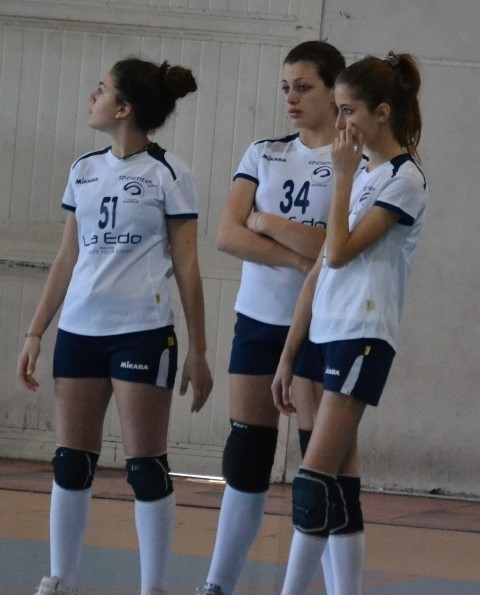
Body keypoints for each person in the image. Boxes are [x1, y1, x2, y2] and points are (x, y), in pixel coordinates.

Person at [17, 56, 213, 595]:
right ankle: (61, 580)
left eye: (100, 89)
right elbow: (67, 256)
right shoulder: (83, 169)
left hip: (142, 333)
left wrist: (198, 350)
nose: (92, 96)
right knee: (70, 462)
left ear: (124, 108)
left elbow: (188, 266)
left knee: (145, 467)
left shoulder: (168, 173)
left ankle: (154, 587)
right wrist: (35, 332)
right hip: (80, 333)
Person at [272, 51, 428, 595]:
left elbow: (338, 252)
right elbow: (319, 270)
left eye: (348, 111)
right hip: (324, 334)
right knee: (338, 485)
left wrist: (340, 178)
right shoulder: (362, 173)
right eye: (337, 110)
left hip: (362, 337)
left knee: (311, 485)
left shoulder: (404, 180)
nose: (340, 124)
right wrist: (290, 352)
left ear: (382, 113)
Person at [198, 41, 348, 595]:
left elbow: (337, 246)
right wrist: (301, 259)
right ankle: (217, 584)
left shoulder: (352, 164)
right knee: (246, 456)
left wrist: (267, 222)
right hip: (259, 321)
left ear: (335, 91)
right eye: (286, 87)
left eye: (304, 87)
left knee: (321, 469)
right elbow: (227, 234)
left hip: (323, 326)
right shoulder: (264, 153)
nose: (291, 98)